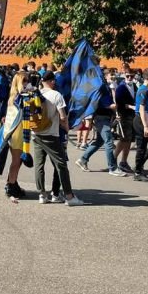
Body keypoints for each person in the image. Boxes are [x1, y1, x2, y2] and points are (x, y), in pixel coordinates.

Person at [32, 73, 84, 205]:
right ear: (52, 81)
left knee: (39, 165)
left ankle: (42, 195)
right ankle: (69, 196)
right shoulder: (56, 95)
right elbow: (62, 117)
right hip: (51, 134)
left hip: (36, 134)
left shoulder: (35, 93)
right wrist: (66, 128)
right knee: (61, 165)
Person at [77, 69, 118, 174]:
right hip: (101, 117)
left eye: (114, 75)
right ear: (105, 76)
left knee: (99, 141)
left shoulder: (108, 87)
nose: (113, 77)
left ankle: (83, 159)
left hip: (104, 117)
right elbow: (103, 103)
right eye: (111, 75)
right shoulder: (102, 88)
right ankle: (112, 168)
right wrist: (114, 106)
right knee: (109, 142)